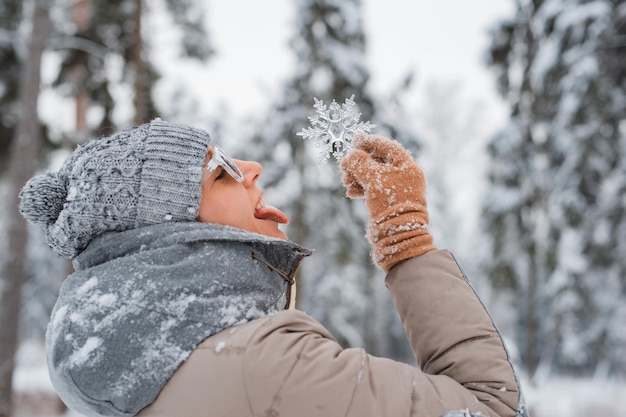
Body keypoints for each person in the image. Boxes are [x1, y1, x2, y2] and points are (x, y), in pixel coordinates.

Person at [19, 118, 528, 417]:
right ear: (171, 226)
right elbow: (491, 407)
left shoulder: (114, 374)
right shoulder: (268, 367)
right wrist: (406, 237)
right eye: (223, 172)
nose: (253, 168)